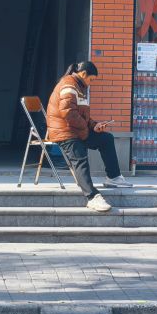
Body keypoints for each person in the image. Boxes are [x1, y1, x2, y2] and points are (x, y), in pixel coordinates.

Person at [46, 61, 131, 212]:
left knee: (106, 139)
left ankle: (113, 177)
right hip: (65, 132)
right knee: (80, 159)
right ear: (83, 74)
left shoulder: (79, 87)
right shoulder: (68, 85)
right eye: (91, 79)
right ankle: (92, 197)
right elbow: (68, 114)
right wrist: (87, 127)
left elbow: (81, 116)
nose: (91, 83)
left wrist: (94, 125)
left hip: (77, 130)